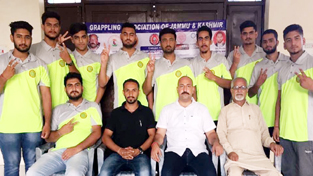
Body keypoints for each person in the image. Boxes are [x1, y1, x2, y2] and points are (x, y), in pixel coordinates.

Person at [0, 21, 51, 176]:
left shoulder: (40, 64)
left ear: (31, 38)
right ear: (12, 37)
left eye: (27, 37)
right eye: (19, 36)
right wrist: (3, 77)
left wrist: (47, 122)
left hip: (33, 126)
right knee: (11, 167)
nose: (23, 41)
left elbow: (46, 96)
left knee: (33, 167)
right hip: (7, 126)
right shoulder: (1, 61)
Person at [26, 72, 102, 176]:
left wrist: (76, 148)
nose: (73, 88)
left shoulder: (93, 106)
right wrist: (61, 132)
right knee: (32, 173)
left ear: (82, 88)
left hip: (80, 152)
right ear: (65, 89)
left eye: (77, 85)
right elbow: (48, 138)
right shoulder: (58, 109)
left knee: (74, 173)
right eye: (70, 85)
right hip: (58, 152)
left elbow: (97, 133)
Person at [151, 76, 223, 176]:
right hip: (174, 152)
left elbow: (211, 133)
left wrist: (215, 142)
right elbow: (160, 134)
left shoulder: (202, 109)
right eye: (182, 86)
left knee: (210, 173)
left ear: (193, 89)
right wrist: (155, 144)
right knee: (167, 174)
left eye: (188, 86)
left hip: (198, 152)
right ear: (177, 89)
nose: (185, 89)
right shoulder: (167, 110)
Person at [217, 77, 283, 176]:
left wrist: (272, 144)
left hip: (257, 156)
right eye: (236, 87)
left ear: (247, 90)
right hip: (236, 156)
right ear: (231, 91)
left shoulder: (256, 109)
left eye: (243, 87)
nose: (239, 90)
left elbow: (264, 135)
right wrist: (230, 151)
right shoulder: (225, 110)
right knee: (234, 173)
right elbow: (221, 135)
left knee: (273, 174)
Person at [273, 24, 313, 176]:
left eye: (296, 38)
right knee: (288, 173)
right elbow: (279, 99)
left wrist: (311, 85)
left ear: (303, 40)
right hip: (285, 134)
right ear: (284, 45)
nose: (293, 43)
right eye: (289, 40)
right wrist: (276, 125)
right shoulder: (283, 68)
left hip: (306, 135)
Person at [99, 79, 155, 176]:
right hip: (117, 154)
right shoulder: (116, 113)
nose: (130, 93)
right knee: (104, 173)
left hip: (140, 155)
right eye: (127, 90)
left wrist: (139, 150)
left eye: (134, 90)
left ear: (138, 92)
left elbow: (152, 135)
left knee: (144, 173)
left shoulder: (147, 112)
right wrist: (120, 150)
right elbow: (105, 136)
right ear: (123, 92)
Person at [248, 29, 289, 157]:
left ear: (277, 42)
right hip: (264, 119)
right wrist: (258, 83)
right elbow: (250, 93)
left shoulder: (288, 63)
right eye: (264, 42)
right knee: (262, 158)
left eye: (271, 40)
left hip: (285, 119)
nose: (268, 44)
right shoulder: (258, 66)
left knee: (284, 160)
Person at [143, 28, 195, 121]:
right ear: (160, 43)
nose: (168, 43)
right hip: (161, 116)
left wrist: (194, 113)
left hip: (183, 116)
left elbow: (193, 90)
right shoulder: (153, 65)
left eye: (171, 40)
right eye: (164, 40)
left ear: (175, 42)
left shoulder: (186, 64)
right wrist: (150, 74)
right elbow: (146, 91)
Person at [30, 11, 79, 109]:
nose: (52, 29)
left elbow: (77, 78)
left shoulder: (67, 51)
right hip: (41, 109)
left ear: (59, 28)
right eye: (49, 25)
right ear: (43, 27)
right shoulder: (32, 51)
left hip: (66, 109)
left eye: (56, 25)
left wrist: (69, 61)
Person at [98, 22, 152, 109]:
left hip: (141, 108)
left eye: (131, 34)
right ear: (121, 37)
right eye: (125, 34)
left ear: (135, 37)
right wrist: (103, 63)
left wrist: (150, 108)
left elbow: (149, 88)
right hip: (120, 108)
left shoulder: (145, 57)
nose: (128, 37)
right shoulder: (113, 58)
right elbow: (102, 83)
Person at [192, 26, 231, 123]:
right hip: (200, 116)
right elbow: (193, 90)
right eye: (200, 39)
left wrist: (214, 78)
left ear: (211, 41)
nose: (203, 42)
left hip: (218, 115)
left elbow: (230, 84)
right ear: (197, 43)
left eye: (206, 38)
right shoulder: (192, 63)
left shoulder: (221, 60)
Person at [227, 20, 266, 104]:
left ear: (256, 34)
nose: (248, 36)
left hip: (258, 103)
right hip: (237, 103)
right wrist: (235, 63)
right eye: (245, 33)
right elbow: (227, 80)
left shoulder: (264, 55)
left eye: (251, 33)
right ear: (241, 36)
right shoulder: (233, 55)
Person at [69, 22, 106, 103]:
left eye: (83, 37)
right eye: (76, 38)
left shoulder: (98, 58)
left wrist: (95, 104)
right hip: (73, 108)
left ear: (88, 38)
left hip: (93, 106)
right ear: (72, 40)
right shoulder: (69, 58)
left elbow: (102, 85)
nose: (80, 41)